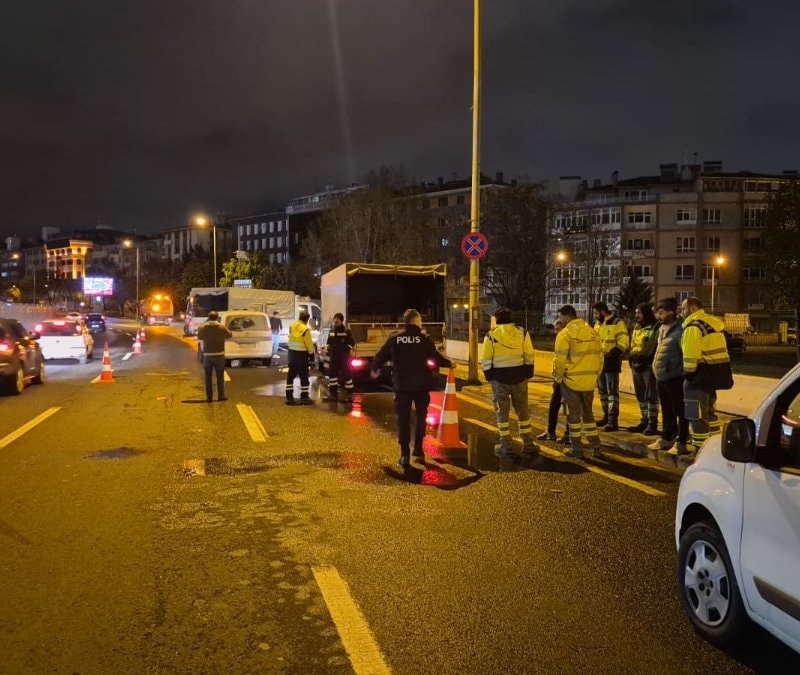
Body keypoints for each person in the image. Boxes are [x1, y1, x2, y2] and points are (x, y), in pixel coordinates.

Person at [371, 309, 452, 468]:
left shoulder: (395, 339)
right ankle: (418, 450)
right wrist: (449, 364)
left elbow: (380, 356)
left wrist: (376, 367)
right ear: (416, 322)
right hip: (422, 385)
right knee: (421, 418)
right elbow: (436, 357)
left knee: (403, 420)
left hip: (402, 386)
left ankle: (404, 454)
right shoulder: (424, 339)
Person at [480, 307, 538, 457]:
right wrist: (528, 373)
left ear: (497, 320)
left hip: (499, 380)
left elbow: (486, 359)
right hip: (519, 377)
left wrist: (489, 377)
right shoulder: (522, 332)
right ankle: (528, 444)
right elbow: (529, 354)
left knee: (502, 414)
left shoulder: (491, 336)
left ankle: (506, 446)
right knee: (523, 411)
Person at [680, 297, 732, 450]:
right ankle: (714, 448)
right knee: (710, 414)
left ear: (693, 309)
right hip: (713, 376)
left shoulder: (693, 328)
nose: (681, 312)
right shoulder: (713, 325)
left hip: (697, 378)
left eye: (683, 309)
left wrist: (687, 375)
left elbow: (690, 357)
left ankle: (699, 450)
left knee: (695, 415)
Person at [554, 305, 604, 458]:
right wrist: (594, 376)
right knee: (588, 414)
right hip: (589, 381)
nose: (560, 320)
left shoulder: (565, 334)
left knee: (573, 417)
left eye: (561, 317)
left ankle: (577, 449)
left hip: (571, 381)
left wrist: (558, 378)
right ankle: (595, 446)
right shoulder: (593, 332)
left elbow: (560, 360)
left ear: (567, 317)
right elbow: (600, 358)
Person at [650, 298, 690, 455]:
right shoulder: (662, 329)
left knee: (679, 409)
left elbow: (684, 353)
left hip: (674, 376)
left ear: (671, 313)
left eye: (661, 313)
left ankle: (681, 440)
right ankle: (667, 437)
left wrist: (677, 370)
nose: (658, 316)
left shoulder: (681, 330)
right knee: (666, 409)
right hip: (661, 376)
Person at [593, 301, 629, 431]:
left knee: (612, 392)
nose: (596, 316)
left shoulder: (617, 323)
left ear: (603, 311)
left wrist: (612, 353)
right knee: (602, 391)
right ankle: (606, 416)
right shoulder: (597, 324)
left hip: (612, 361)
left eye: (597, 313)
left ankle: (613, 420)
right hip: (600, 362)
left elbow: (623, 342)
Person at [627, 303, 660, 435]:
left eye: (639, 313)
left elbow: (657, 344)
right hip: (636, 364)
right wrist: (631, 357)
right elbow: (633, 344)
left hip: (648, 365)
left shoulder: (656, 326)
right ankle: (644, 420)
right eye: (636, 313)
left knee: (651, 395)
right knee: (640, 395)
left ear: (646, 313)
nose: (636, 316)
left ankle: (652, 423)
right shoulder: (637, 327)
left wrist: (648, 358)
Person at [538, 318, 570, 444]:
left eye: (558, 329)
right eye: (555, 329)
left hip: (567, 377)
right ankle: (550, 431)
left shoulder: (567, 339)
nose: (556, 331)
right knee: (554, 404)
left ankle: (568, 434)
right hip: (558, 378)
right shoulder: (560, 339)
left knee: (567, 407)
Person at [197, 310, 232, 403]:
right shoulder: (222, 327)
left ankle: (209, 397)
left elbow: (199, 336)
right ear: (217, 317)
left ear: (208, 317)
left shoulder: (204, 328)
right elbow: (229, 335)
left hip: (207, 356)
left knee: (208, 377)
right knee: (220, 376)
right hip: (219, 355)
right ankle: (221, 396)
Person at [285, 310, 315, 406]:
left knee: (291, 376)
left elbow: (290, 337)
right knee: (303, 376)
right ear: (306, 320)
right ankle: (304, 397)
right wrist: (311, 355)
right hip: (302, 355)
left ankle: (289, 397)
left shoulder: (292, 326)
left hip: (292, 354)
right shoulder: (305, 329)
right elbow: (309, 344)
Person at [323, 312, 355, 402]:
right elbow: (329, 343)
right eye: (335, 318)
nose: (336, 320)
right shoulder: (332, 330)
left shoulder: (346, 331)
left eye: (338, 319)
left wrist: (346, 351)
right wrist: (328, 350)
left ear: (341, 320)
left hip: (344, 358)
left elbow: (352, 343)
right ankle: (333, 394)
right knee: (333, 375)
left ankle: (349, 394)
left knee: (346, 375)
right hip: (334, 357)